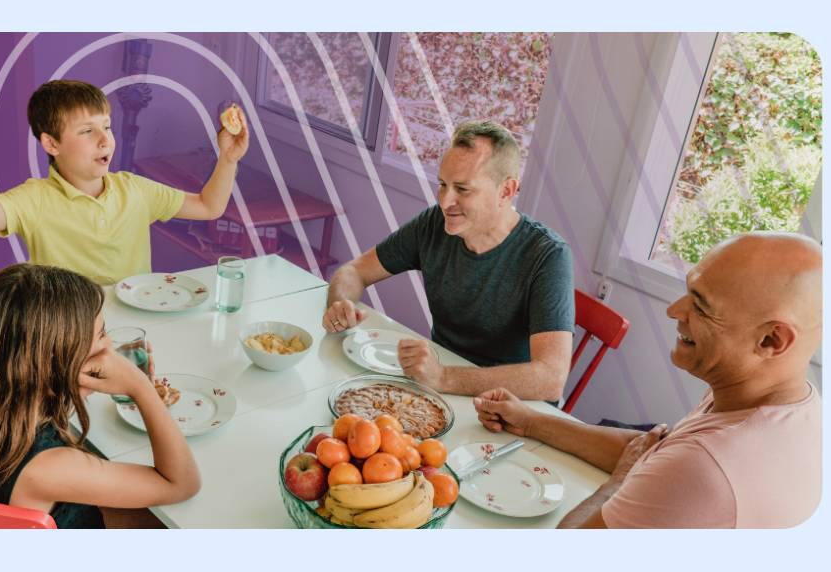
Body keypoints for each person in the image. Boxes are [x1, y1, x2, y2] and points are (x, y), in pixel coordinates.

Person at [474, 232, 821, 528]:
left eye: (700, 307)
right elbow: (654, 452)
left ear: (771, 340)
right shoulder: (786, 400)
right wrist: (532, 421)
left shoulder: (708, 464)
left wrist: (619, 482)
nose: (674, 310)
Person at [323, 120, 574, 401]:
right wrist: (339, 304)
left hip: (511, 408)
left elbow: (551, 378)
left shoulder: (548, 255)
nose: (445, 201)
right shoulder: (434, 223)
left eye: (463, 189)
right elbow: (354, 271)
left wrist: (443, 376)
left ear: (506, 191)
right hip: (439, 391)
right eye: (443, 184)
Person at [0, 264, 201, 528]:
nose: (109, 347)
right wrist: (140, 387)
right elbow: (181, 484)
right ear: (55, 359)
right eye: (101, 335)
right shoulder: (50, 468)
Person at [0, 80, 249, 284]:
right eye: (87, 131)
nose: (104, 141)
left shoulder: (135, 190)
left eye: (107, 127)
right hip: (67, 337)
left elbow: (209, 207)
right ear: (51, 144)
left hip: (136, 333)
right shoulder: (34, 199)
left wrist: (228, 159)